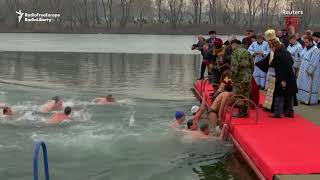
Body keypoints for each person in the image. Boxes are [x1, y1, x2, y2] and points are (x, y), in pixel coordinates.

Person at [267, 38, 298, 118]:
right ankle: (290, 112)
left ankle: (277, 113)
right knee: (289, 94)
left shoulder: (279, 55)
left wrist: (282, 80)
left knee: (279, 94)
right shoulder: (285, 52)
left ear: (274, 47)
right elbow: (291, 62)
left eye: (271, 47)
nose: (271, 49)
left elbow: (281, 69)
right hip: (290, 76)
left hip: (283, 77)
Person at [297, 35, 320, 105]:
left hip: (310, 70)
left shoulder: (315, 49)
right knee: (302, 83)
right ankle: (302, 98)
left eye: (306, 42)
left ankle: (307, 100)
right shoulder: (306, 48)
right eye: (305, 42)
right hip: (303, 68)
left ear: (311, 41)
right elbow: (302, 55)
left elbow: (315, 61)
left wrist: (310, 70)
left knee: (308, 85)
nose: (305, 43)